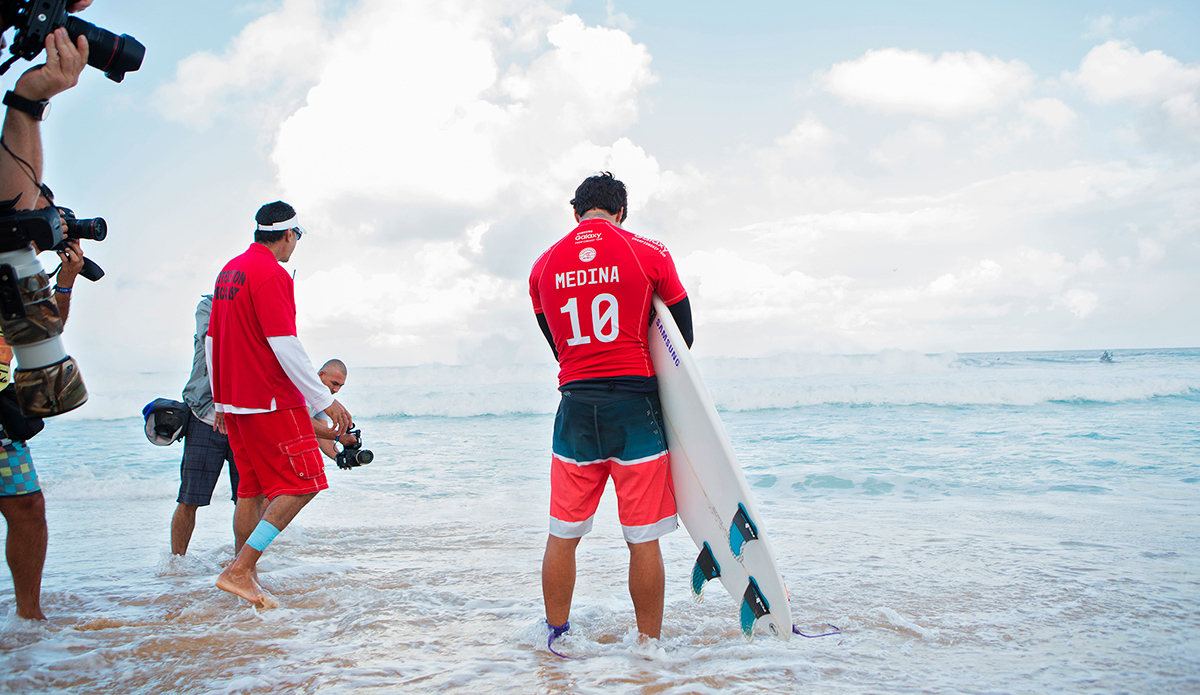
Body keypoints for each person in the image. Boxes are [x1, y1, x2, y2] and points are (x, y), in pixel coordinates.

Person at [528, 172, 694, 644]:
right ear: (622, 211)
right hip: (634, 408)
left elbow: (559, 346)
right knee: (642, 538)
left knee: (564, 532)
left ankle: (555, 637)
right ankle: (647, 649)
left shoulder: (543, 267)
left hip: (575, 408)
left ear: (576, 212)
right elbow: (681, 341)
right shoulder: (650, 252)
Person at [208, 200, 351, 607]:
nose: (295, 245)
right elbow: (284, 344)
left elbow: (212, 340)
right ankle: (239, 569)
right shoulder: (271, 273)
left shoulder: (229, 271)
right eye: (297, 237)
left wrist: (220, 400)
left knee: (250, 491)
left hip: (235, 403)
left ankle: (245, 572)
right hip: (270, 400)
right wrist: (324, 401)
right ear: (288, 234)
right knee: (306, 484)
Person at [0, 4, 92, 621]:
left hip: (2, 401)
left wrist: (66, 276)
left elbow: (43, 330)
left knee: (27, 505)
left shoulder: (15, 263)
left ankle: (28, 619)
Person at [170, 295, 240, 556]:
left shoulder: (257, 309)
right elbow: (215, 342)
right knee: (189, 499)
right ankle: (177, 564)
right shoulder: (209, 305)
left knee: (248, 499)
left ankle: (243, 565)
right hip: (204, 417)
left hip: (242, 422)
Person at [308, 359, 359, 461]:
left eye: (340, 386)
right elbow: (302, 421)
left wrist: (339, 458)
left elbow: (323, 436)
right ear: (321, 375)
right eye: (334, 383)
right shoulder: (305, 389)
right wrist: (339, 437)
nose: (336, 390)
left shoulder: (324, 399)